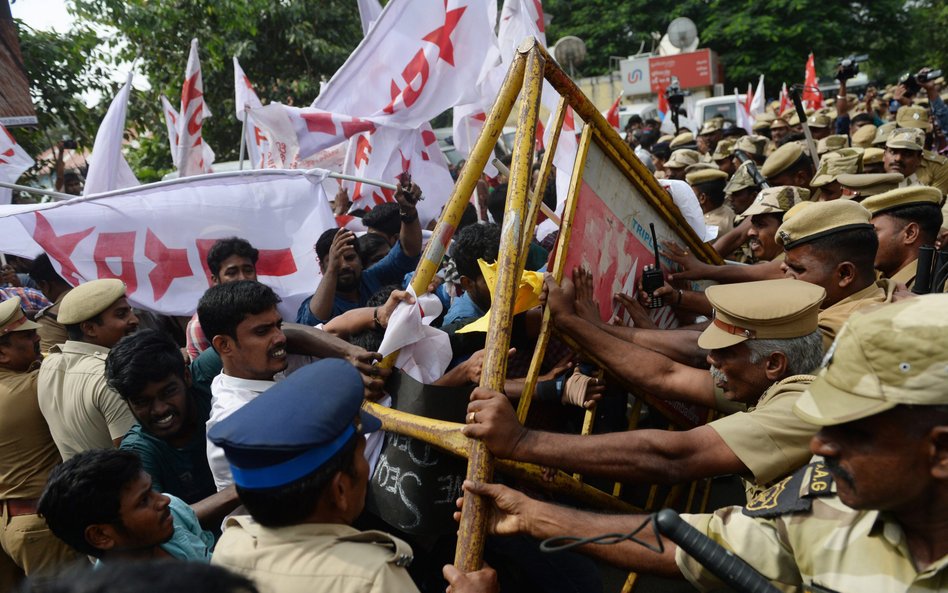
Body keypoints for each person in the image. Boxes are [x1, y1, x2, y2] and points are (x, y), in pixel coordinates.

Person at [458, 295, 948, 592]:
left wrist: (523, 442)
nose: (819, 447)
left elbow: (675, 454)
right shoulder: (824, 513)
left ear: (940, 452)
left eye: (852, 433)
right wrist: (531, 516)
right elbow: (690, 545)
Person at [477, 277, 825, 499]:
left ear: (774, 363)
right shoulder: (765, 381)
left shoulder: (799, 408)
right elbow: (666, 375)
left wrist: (523, 441)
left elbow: (673, 455)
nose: (710, 361)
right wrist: (571, 322)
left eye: (723, 353)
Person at [209, 359, 497, 592]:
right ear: (340, 490)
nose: (367, 466)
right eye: (361, 456)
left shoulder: (231, 545)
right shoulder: (372, 578)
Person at [106, 330, 240, 530]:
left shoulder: (205, 374)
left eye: (168, 392)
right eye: (142, 401)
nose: (159, 410)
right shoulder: (139, 452)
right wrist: (244, 488)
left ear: (186, 376)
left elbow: (263, 336)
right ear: (128, 403)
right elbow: (157, 519)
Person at [0, 298, 78, 591]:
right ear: (1, 353)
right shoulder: (32, 386)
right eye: (26, 335)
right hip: (39, 526)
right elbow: (70, 364)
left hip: (11, 524)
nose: (37, 337)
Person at [38, 449, 213, 564]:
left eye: (151, 489)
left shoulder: (172, 514)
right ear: (100, 535)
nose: (163, 501)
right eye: (143, 501)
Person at [775, 199, 901, 348]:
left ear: (845, 274)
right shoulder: (881, 291)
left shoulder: (835, 331)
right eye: (787, 264)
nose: (785, 272)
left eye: (798, 269)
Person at [37, 279, 139, 460]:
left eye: (130, 311)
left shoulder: (50, 364)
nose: (134, 319)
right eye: (122, 314)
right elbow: (135, 455)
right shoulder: (112, 377)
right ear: (90, 329)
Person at [297, 181, 422, 325]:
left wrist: (409, 212)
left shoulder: (374, 277)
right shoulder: (315, 303)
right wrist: (332, 269)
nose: (344, 265)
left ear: (360, 259)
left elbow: (408, 251)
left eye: (350, 257)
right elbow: (315, 321)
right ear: (322, 268)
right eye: (334, 260)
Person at [186, 237, 260, 362]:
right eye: (232, 273)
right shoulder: (200, 325)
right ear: (215, 280)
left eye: (248, 270)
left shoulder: (267, 309)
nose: (243, 278)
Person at [861, 185, 943, 289]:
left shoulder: (940, 287)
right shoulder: (873, 278)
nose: (865, 241)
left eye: (873, 232)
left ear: (910, 233)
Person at [27, 254, 73, 354]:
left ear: (45, 285)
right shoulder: (102, 294)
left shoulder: (50, 318)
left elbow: (52, 364)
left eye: (40, 287)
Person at [686, 169, 733, 241]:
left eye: (691, 194)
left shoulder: (708, 228)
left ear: (702, 198)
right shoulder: (727, 211)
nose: (688, 197)